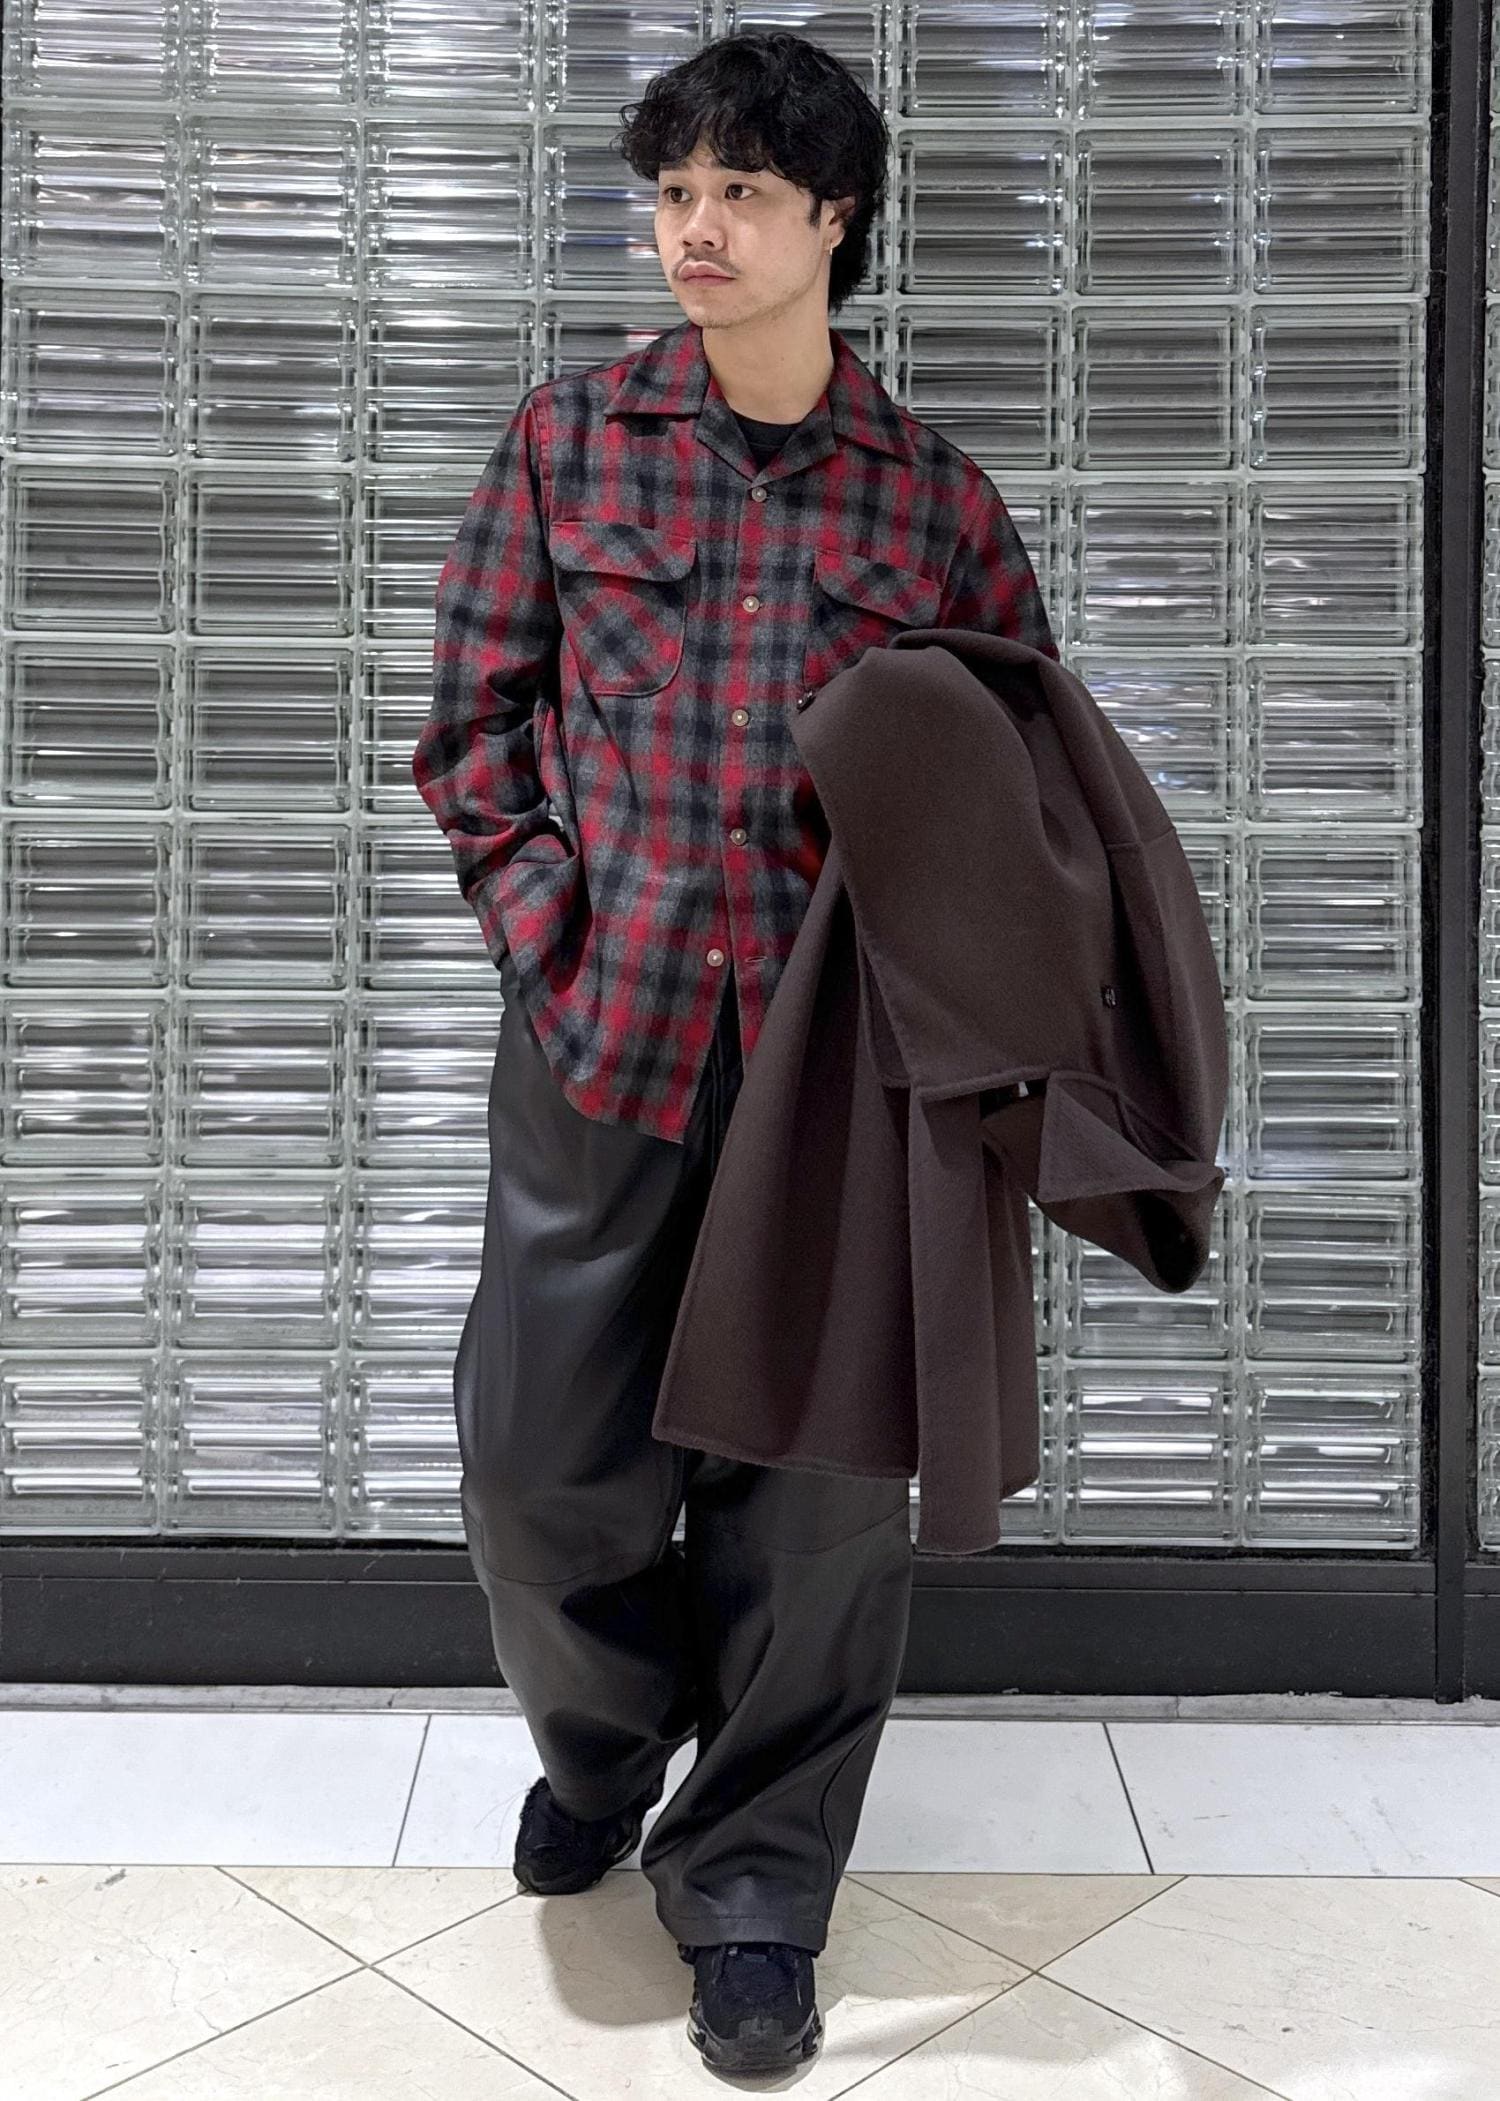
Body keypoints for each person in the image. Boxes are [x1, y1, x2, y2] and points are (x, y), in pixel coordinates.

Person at [411, 28, 1057, 2076]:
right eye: (674, 193)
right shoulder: (568, 443)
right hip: (601, 1052)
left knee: (818, 1509)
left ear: (832, 219)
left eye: (743, 194)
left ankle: (760, 1880)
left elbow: (1019, 792)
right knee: (537, 1468)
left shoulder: (933, 504)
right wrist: (554, 944)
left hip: (836, 1091)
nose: (696, 228)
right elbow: (474, 730)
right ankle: (609, 1752)